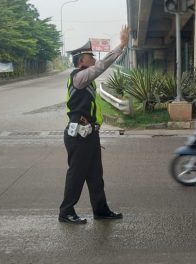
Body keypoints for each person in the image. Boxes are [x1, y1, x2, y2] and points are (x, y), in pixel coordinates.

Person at [58, 25, 129, 224]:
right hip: (78, 136)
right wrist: (121, 45)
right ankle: (66, 212)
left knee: (96, 175)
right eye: (90, 56)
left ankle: (101, 210)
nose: (93, 59)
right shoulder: (79, 77)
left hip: (89, 135)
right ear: (81, 61)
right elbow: (101, 67)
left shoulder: (87, 82)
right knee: (76, 175)